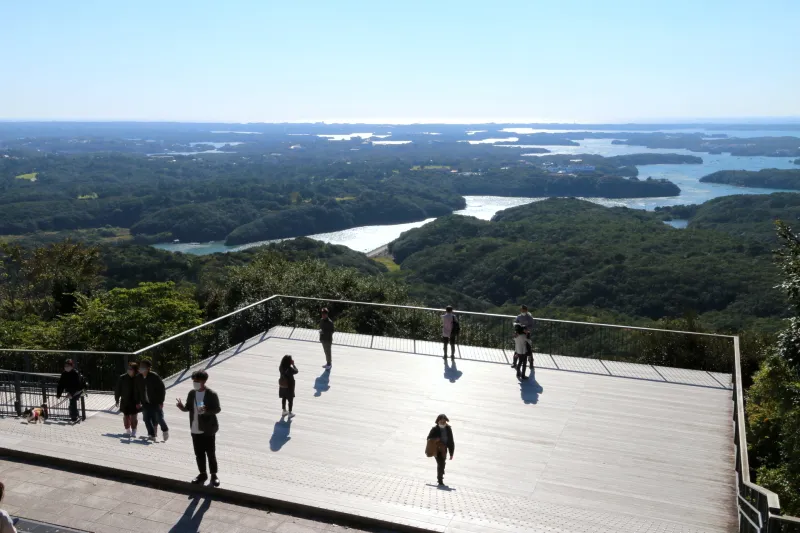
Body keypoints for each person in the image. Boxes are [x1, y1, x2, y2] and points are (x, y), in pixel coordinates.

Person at [176, 370, 221, 487]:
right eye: (193, 381)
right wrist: (182, 407)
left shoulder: (211, 394)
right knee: (199, 453)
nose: (195, 383)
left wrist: (206, 411)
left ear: (204, 381)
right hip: (195, 428)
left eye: (197, 381)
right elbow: (188, 408)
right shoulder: (192, 393)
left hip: (208, 429)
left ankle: (214, 475)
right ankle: (202, 474)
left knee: (210, 453)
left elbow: (217, 409)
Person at [135, 359, 169, 442]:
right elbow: (137, 390)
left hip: (155, 401)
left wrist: (161, 401)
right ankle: (152, 434)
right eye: (140, 366)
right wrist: (137, 401)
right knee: (146, 419)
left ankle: (165, 430)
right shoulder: (138, 377)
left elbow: (162, 389)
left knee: (159, 418)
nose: (141, 368)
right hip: (145, 402)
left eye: (143, 367)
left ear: (148, 368)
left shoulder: (154, 377)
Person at [427, 414, 455, 486]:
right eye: (441, 420)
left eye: (444, 420)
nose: (443, 422)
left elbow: (451, 441)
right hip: (436, 449)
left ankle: (440, 475)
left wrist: (451, 453)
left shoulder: (448, 429)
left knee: (442, 464)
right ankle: (440, 480)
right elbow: (429, 438)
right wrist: (436, 439)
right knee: (440, 463)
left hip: (444, 450)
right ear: (438, 421)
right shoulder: (434, 429)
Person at [115, 361, 141, 437]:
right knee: (126, 416)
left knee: (134, 417)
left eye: (131, 369)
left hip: (135, 401)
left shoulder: (138, 378)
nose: (129, 370)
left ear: (135, 370)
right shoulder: (122, 378)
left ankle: (134, 430)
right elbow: (118, 389)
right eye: (128, 369)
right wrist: (117, 399)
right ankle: (127, 429)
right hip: (125, 400)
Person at [56, 359, 85, 423]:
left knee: (72, 400)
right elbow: (61, 384)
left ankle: (74, 417)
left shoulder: (75, 373)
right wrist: (58, 394)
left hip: (78, 389)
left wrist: (71, 393)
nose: (66, 367)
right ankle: (74, 415)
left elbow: (77, 385)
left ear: (72, 366)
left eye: (68, 366)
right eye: (65, 366)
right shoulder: (64, 374)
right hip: (70, 389)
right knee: (71, 402)